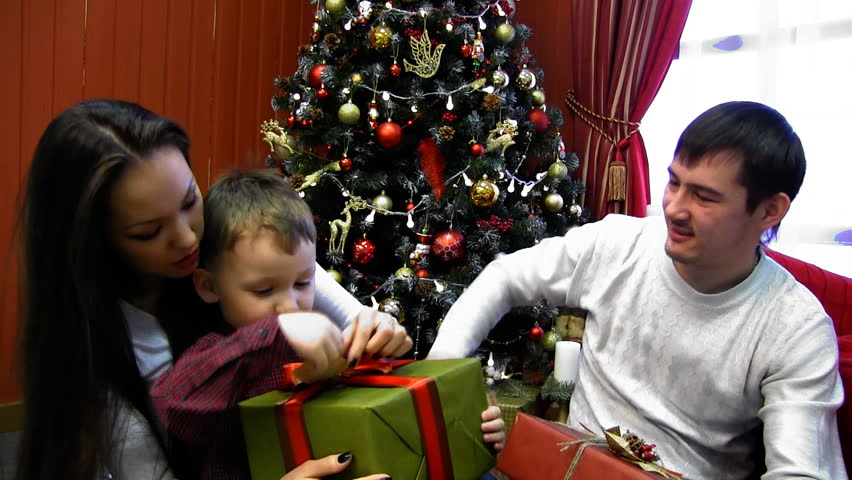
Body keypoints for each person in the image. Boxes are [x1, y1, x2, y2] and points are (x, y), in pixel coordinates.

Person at [428, 101, 847, 479]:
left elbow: (803, 471)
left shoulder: (795, 328)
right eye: (674, 182)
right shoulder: (619, 243)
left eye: (704, 197)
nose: (674, 208)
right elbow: (505, 277)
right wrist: (442, 376)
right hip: (565, 467)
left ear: (769, 210)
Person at [15, 99, 417, 480]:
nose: (188, 238)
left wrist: (380, 328)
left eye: (191, 201)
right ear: (95, 242)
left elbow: (352, 319)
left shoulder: (239, 248)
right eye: (149, 232)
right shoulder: (95, 363)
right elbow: (179, 406)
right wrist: (273, 334)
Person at [151, 169, 404, 479]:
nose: (289, 305)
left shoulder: (317, 338)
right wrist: (274, 335)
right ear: (209, 287)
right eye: (263, 290)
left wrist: (379, 344)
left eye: (302, 283)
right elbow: (173, 407)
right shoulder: (219, 353)